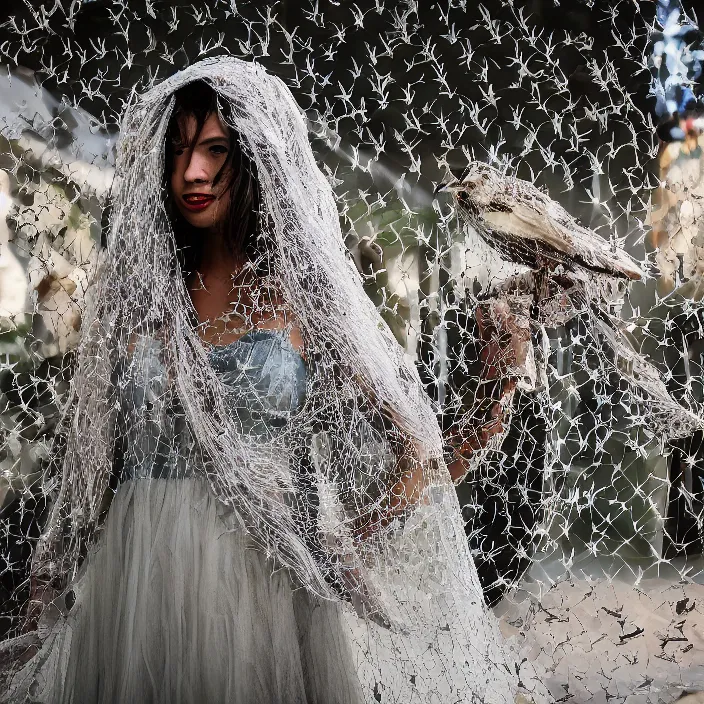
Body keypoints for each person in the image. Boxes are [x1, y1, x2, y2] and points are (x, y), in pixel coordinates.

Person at [0, 57, 541, 703]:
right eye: (176, 152)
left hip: (265, 589)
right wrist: (38, 613)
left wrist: (346, 542)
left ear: (256, 157)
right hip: (132, 587)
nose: (192, 173)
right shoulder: (136, 299)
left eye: (215, 150)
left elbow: (418, 451)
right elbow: (88, 475)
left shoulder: (305, 299)